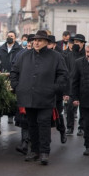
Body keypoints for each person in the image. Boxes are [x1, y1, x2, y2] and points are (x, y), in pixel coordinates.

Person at [10, 30, 68, 165]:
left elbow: (63, 74)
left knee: (44, 124)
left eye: (39, 40)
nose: (36, 42)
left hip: (46, 97)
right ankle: (34, 151)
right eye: (35, 40)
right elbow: (14, 71)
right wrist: (17, 86)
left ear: (46, 42)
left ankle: (44, 152)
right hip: (28, 97)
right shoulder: (24, 56)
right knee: (32, 125)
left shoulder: (56, 57)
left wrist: (55, 88)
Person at [0, 30, 22, 124]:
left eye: (12, 36)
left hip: (13, 76)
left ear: (15, 38)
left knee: (11, 96)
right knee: (0, 95)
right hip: (2, 76)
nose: (10, 37)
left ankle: (10, 115)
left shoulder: (19, 49)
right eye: (8, 36)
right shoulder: (1, 49)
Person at [63, 34, 86, 136]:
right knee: (69, 108)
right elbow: (66, 73)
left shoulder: (86, 54)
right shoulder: (68, 56)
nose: (75, 44)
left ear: (82, 44)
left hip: (84, 86)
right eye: (74, 42)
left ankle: (82, 128)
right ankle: (69, 127)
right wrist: (65, 91)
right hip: (72, 86)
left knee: (84, 109)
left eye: (78, 42)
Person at [47, 35, 67, 144]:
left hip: (56, 94)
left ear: (54, 45)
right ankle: (45, 140)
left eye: (50, 44)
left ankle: (62, 131)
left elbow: (64, 75)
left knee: (57, 116)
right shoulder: (41, 56)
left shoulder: (60, 56)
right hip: (45, 93)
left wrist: (63, 91)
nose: (48, 46)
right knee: (45, 118)